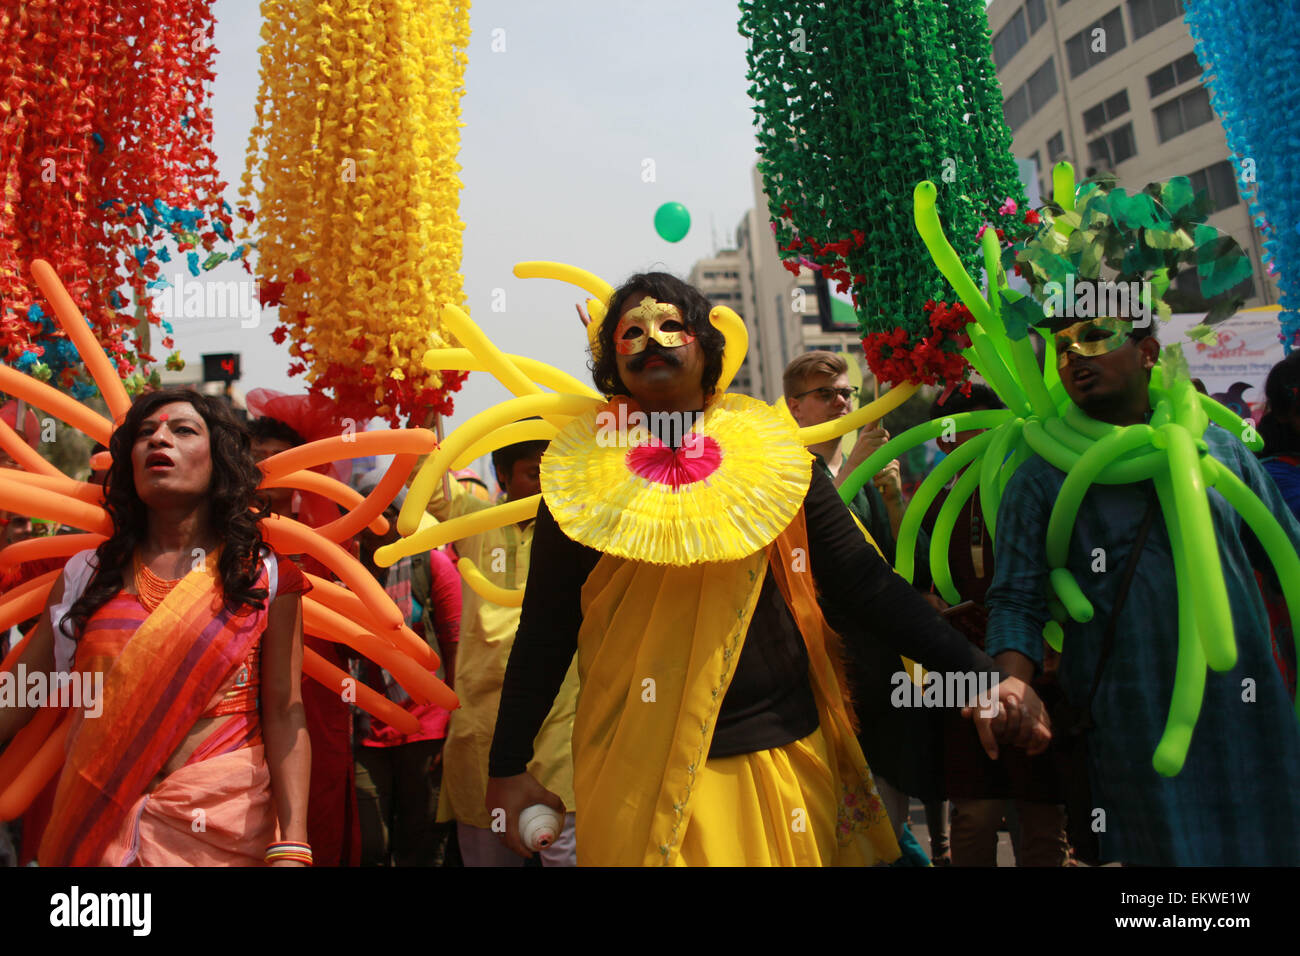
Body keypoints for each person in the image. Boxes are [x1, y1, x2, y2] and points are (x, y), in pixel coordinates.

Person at [485, 272, 1050, 866]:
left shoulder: (774, 456)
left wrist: (986, 675)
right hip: (634, 770)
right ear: (611, 363)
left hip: (781, 757)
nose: (653, 339)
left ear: (706, 347)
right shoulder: (577, 477)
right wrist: (505, 767)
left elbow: (864, 583)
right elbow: (544, 633)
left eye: (671, 325)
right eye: (631, 333)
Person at [984, 303, 1300, 865]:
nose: (1074, 356)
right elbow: (1016, 598)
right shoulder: (1041, 476)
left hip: (1248, 711)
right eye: (1062, 347)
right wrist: (1012, 684)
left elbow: (1287, 559)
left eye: (1096, 337)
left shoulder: (1221, 450)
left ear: (1148, 352)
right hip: (1137, 720)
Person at [0, 388, 312, 866]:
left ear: (220, 459)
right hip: (95, 830)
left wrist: (292, 842)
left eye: (182, 430)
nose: (158, 440)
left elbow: (285, 713)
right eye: (145, 434)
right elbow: (20, 694)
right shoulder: (87, 574)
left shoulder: (264, 576)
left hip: (221, 836)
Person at [783, 350, 948, 863]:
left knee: (888, 807)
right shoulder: (782, 470)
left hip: (880, 668)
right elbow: (811, 552)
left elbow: (911, 570)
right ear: (794, 407)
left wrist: (895, 499)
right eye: (824, 394)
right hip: (820, 667)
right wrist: (852, 468)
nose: (840, 403)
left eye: (846, 393)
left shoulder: (873, 467)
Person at [917, 385, 1069, 867]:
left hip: (1036, 669)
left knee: (1044, 817)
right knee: (975, 814)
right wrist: (933, 606)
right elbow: (914, 584)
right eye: (961, 431)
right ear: (943, 442)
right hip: (963, 675)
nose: (977, 438)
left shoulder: (1035, 492)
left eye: (989, 423)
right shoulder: (932, 507)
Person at [423, 436, 578, 867]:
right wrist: (419, 414)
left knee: (568, 849)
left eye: (553, 473)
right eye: (534, 473)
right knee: (489, 850)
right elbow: (429, 489)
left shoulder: (578, 531)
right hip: (482, 721)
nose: (546, 484)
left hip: (560, 718)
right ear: (504, 477)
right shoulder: (475, 520)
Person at [247, 412, 362, 867]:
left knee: (319, 801)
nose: (269, 467)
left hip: (316, 698)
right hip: (246, 698)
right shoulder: (221, 536)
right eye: (258, 457)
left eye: (280, 457)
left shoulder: (327, 534)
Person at [353, 486, 460, 866]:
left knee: (422, 838)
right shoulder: (340, 569)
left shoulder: (429, 565)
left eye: (389, 513)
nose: (377, 524)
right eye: (365, 514)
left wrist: (454, 727)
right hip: (364, 729)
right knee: (371, 844)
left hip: (426, 726)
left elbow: (455, 646)